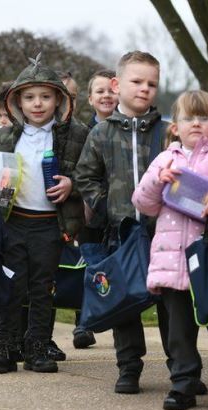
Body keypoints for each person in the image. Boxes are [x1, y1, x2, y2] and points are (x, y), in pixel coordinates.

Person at [132, 90, 208, 410]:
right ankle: (183, 384)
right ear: (175, 126)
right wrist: (158, 181)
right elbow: (143, 203)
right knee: (179, 331)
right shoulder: (165, 160)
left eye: (204, 117)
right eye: (188, 118)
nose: (196, 124)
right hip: (172, 259)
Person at [0, 54, 88, 374]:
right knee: (10, 287)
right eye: (30, 97)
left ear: (59, 99)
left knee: (42, 287)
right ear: (17, 101)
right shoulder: (3, 136)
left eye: (46, 97)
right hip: (12, 222)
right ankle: (5, 348)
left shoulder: (74, 134)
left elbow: (91, 172)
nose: (38, 104)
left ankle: (37, 348)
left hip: (49, 224)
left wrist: (71, 185)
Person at [75, 51, 173, 395]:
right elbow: (86, 175)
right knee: (123, 303)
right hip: (119, 232)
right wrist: (103, 207)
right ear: (117, 85)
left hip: (165, 233)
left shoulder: (166, 132)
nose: (145, 89)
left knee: (171, 304)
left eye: (152, 84)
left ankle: (182, 369)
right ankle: (129, 367)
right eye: (137, 81)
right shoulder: (101, 133)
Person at [69, 68, 119, 350]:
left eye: (111, 90)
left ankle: (118, 320)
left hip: (120, 213)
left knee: (117, 268)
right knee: (91, 268)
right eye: (99, 91)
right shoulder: (82, 134)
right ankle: (84, 323)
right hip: (91, 214)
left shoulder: (129, 129)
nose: (106, 95)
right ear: (90, 98)